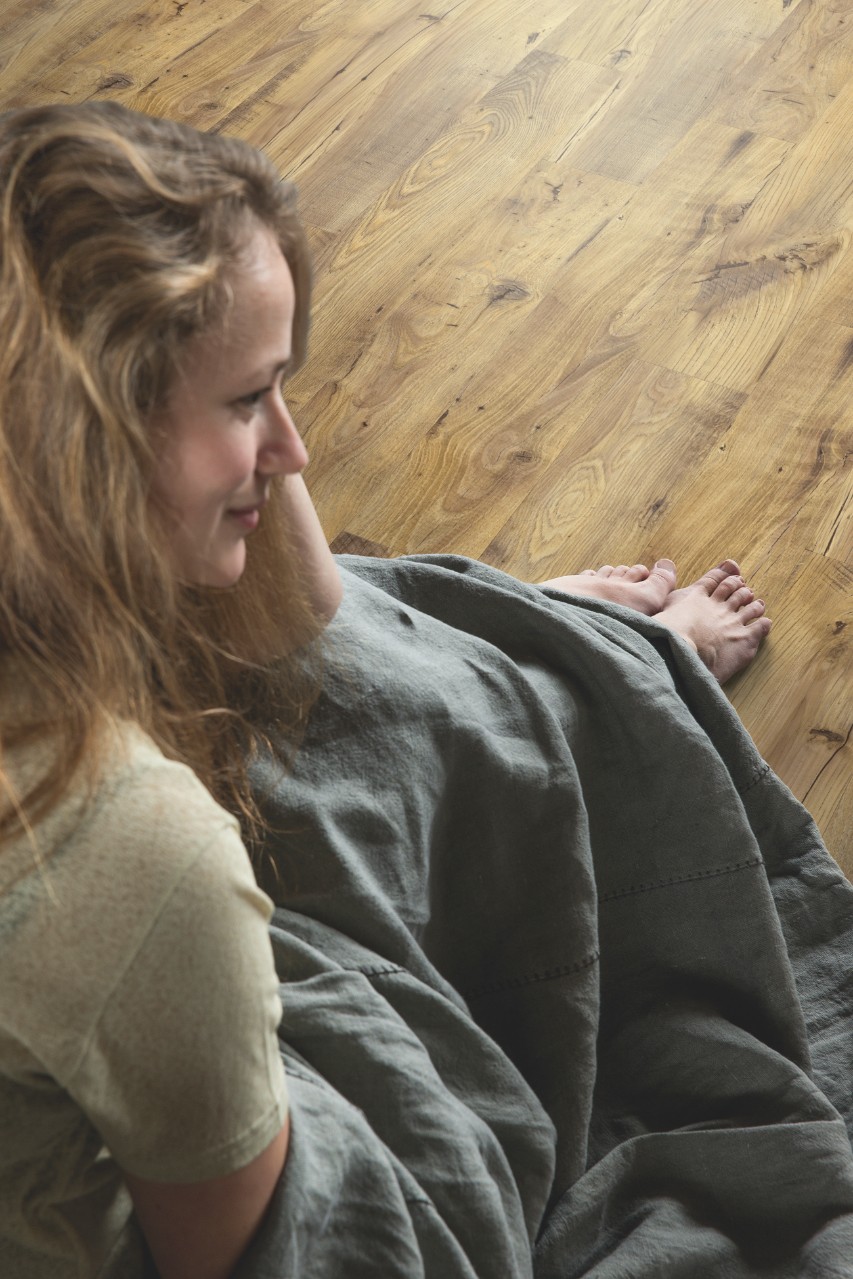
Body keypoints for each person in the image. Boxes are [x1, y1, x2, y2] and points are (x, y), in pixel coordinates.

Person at [0, 101, 778, 1279]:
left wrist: (231, 379)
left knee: (371, 646)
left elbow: (299, 608)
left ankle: (560, 644)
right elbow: (247, 1252)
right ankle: (619, 663)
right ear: (85, 434)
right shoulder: (125, 849)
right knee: (421, 718)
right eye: (253, 397)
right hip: (198, 1202)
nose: (295, 447)